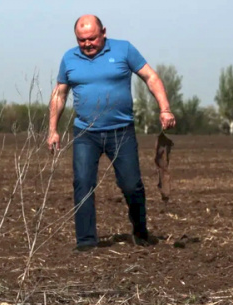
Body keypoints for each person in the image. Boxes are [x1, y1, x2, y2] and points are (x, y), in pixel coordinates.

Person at [46, 15, 176, 251]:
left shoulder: (124, 49)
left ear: (104, 32)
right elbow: (60, 94)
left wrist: (164, 109)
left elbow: (151, 77)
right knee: (83, 183)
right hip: (86, 133)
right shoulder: (69, 58)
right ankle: (86, 242)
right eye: (81, 40)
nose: (87, 44)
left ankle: (140, 231)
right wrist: (53, 130)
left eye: (92, 38)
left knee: (131, 185)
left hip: (121, 132)